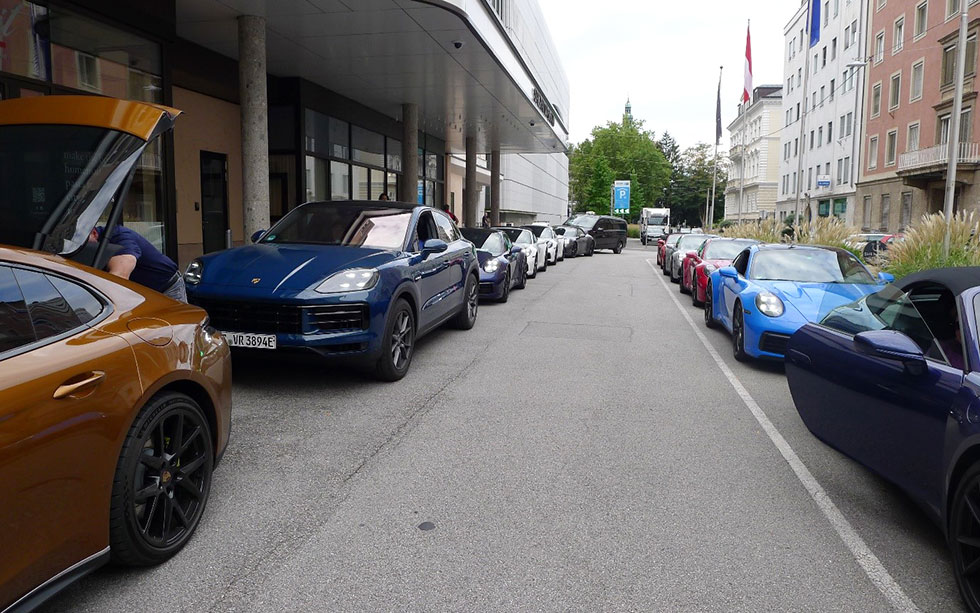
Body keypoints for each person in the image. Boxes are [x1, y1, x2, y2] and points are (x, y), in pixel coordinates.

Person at [88, 225, 186, 302]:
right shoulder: (86, 248)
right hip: (142, 293)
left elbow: (120, 275)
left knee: (179, 325)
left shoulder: (119, 236)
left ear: (94, 233)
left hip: (167, 287)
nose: (81, 247)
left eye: (84, 243)